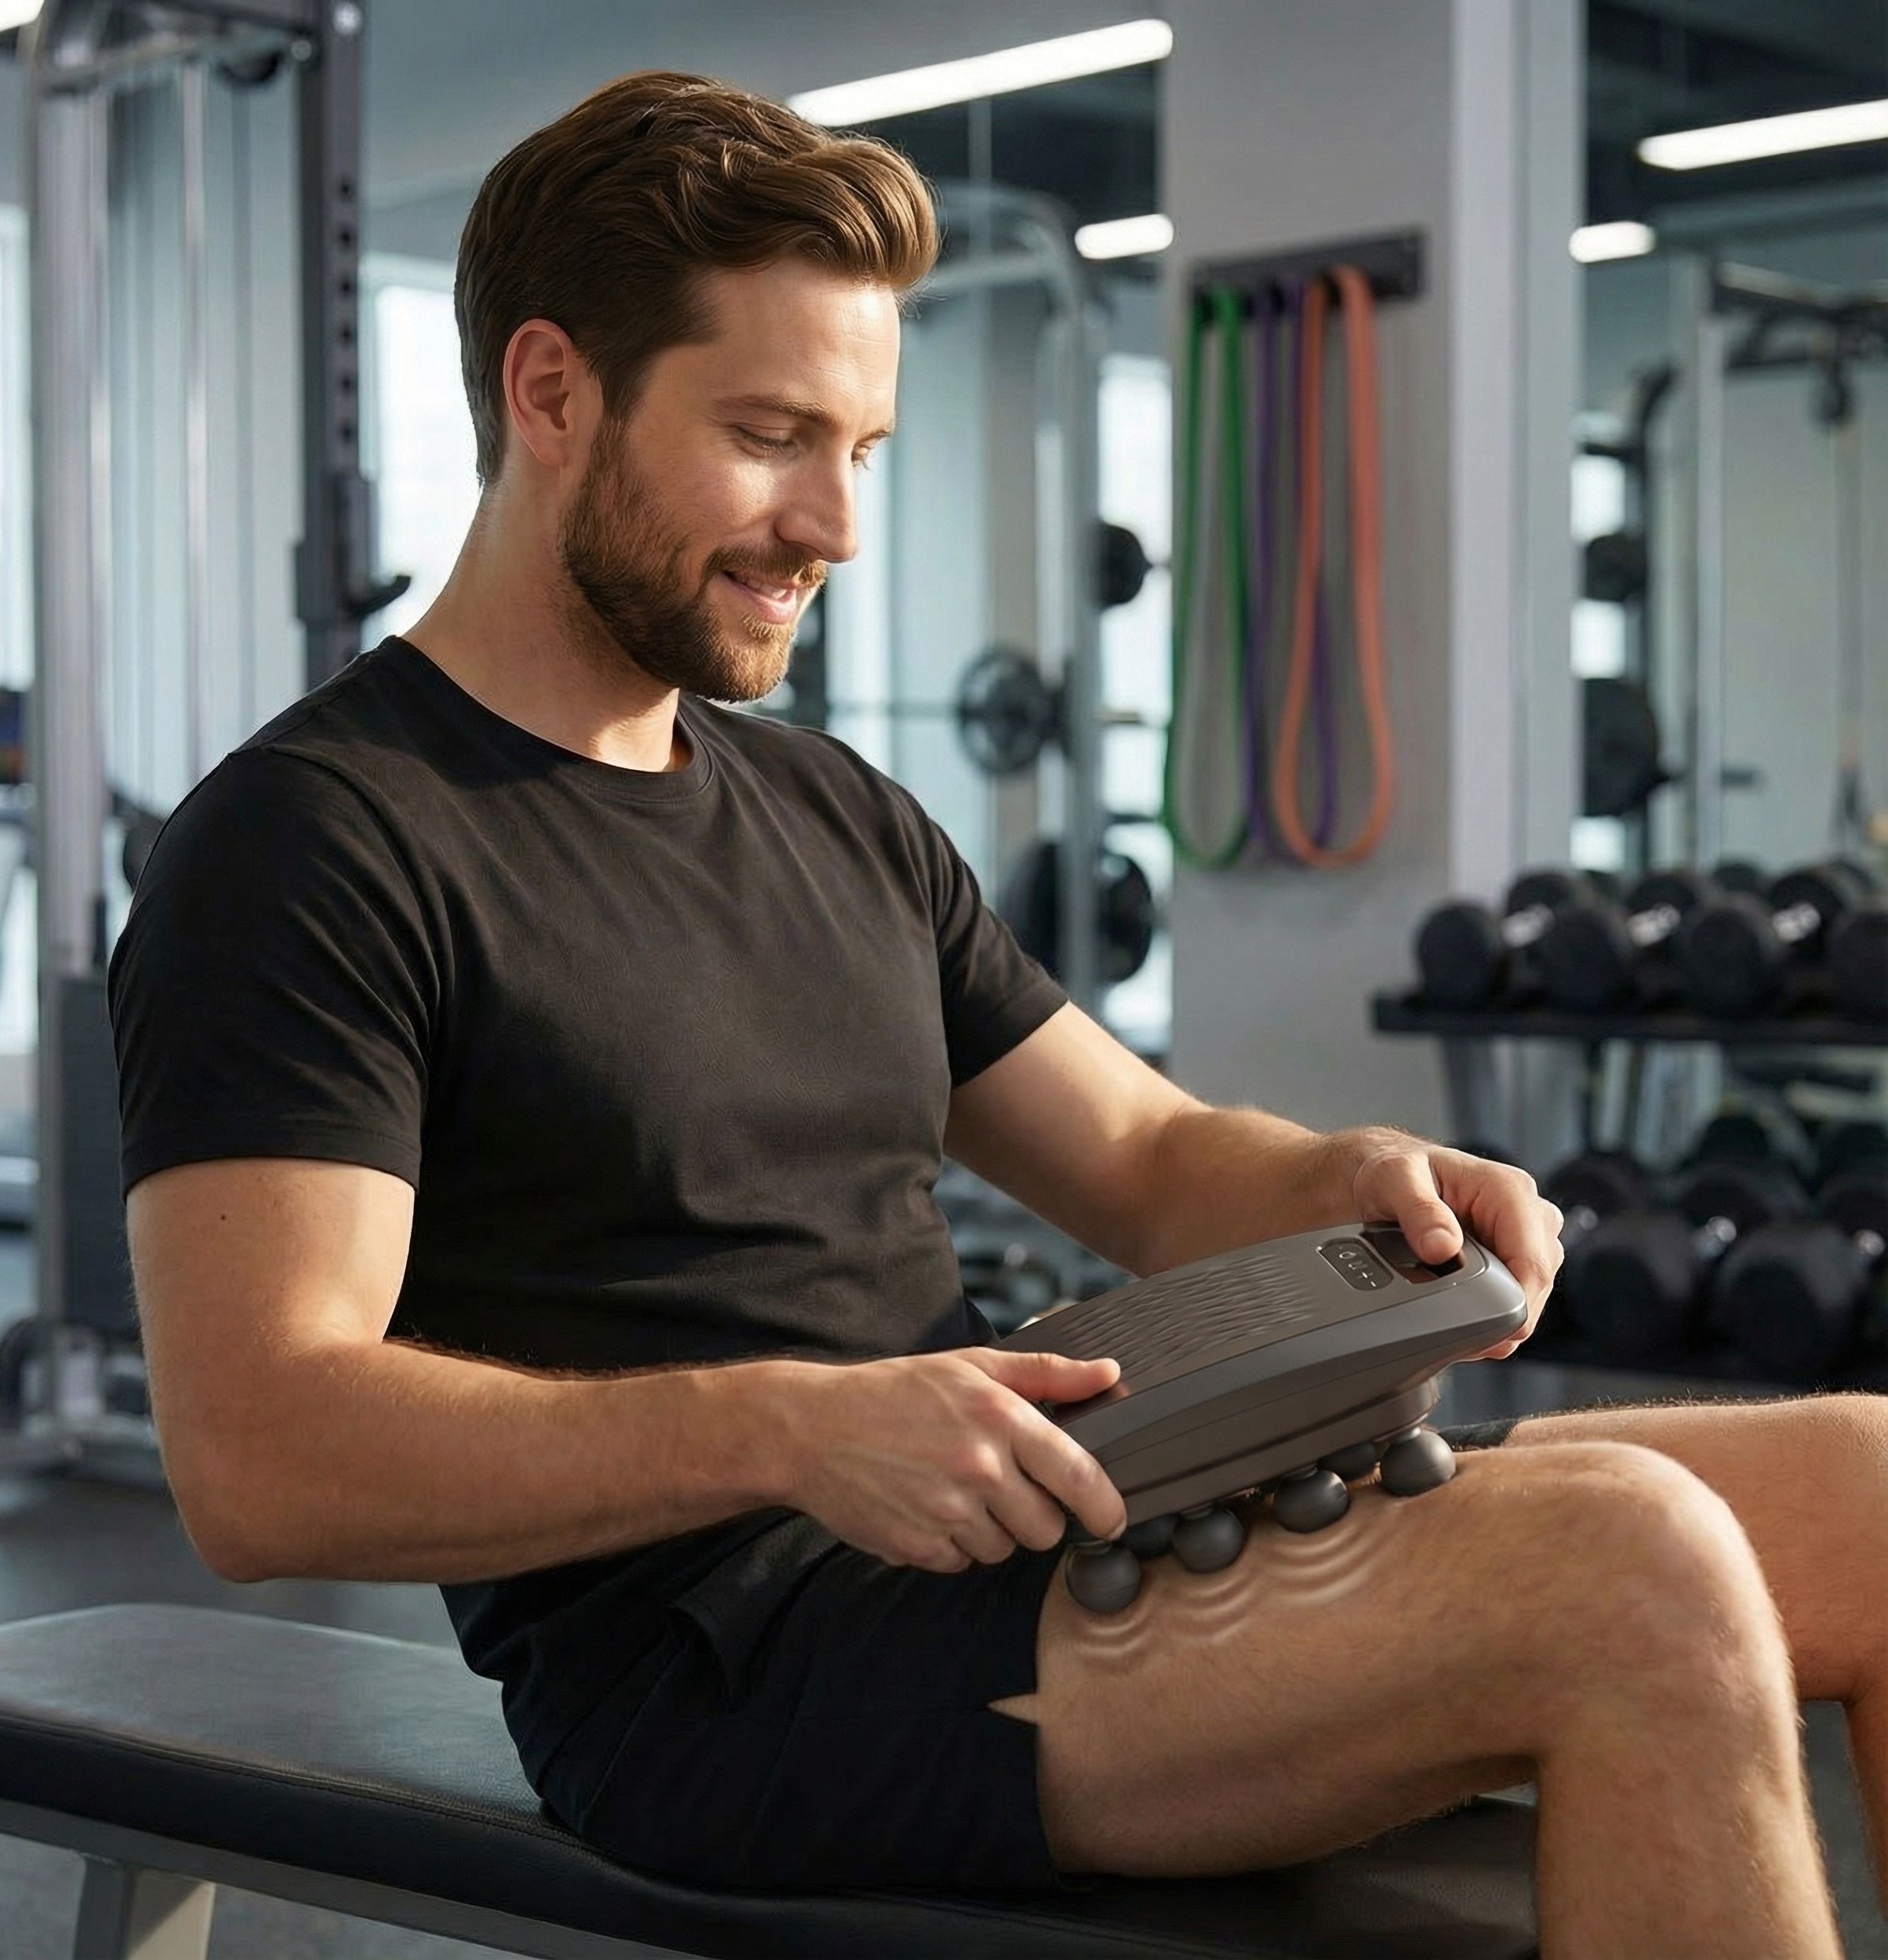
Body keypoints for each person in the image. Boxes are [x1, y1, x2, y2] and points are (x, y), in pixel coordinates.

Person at [108, 71, 1871, 1958]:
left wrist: (1354, 1176)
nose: (833, 522)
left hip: (1014, 1533)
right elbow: (261, 1450)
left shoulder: (830, 810)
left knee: (1865, 1477)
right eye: (771, 435)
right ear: (550, 392)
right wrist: (797, 1427)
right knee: (1630, 1564)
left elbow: (1149, 1153)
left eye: (859, 444)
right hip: (740, 1667)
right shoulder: (315, 842)